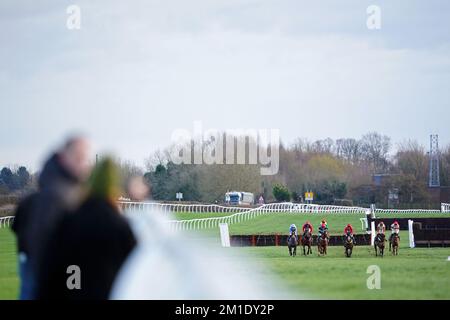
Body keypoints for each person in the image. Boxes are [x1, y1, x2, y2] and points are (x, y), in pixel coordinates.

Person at [36, 157, 137, 300]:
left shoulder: (71, 218)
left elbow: (52, 265)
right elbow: (135, 271)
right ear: (114, 186)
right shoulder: (120, 225)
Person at [11, 136, 92, 299]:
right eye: (79, 158)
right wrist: (74, 285)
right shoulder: (59, 197)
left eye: (86, 159)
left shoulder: (57, 193)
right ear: (63, 158)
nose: (84, 165)